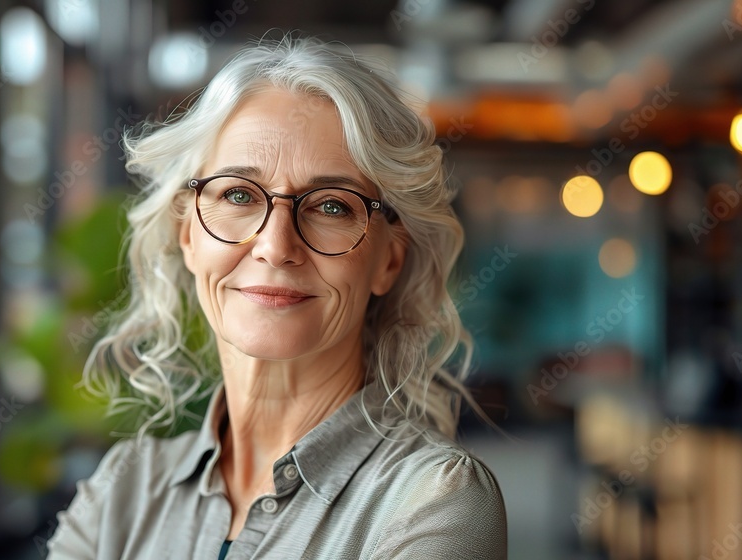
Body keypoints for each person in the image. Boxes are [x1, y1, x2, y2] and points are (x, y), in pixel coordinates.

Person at [46, 34, 508, 560]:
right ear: (188, 234)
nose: (275, 245)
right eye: (238, 195)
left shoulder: (434, 502)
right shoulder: (121, 491)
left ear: (389, 259)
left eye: (332, 206)